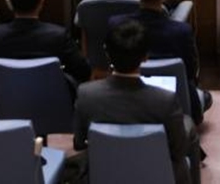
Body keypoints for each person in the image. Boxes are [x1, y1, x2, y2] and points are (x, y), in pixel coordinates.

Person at [73, 19, 196, 184]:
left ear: (107, 52)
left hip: (105, 173)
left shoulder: (86, 93)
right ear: (145, 57)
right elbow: (178, 151)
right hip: (155, 175)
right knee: (188, 126)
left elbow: (79, 143)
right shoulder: (165, 100)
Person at [110, 0, 209, 124]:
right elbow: (191, 73)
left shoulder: (116, 24)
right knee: (205, 97)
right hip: (174, 101)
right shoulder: (181, 31)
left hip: (127, 97)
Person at [0, 0, 89, 114]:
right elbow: (83, 71)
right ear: (41, 1)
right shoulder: (58, 35)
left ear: (9, 3)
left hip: (5, 105)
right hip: (54, 107)